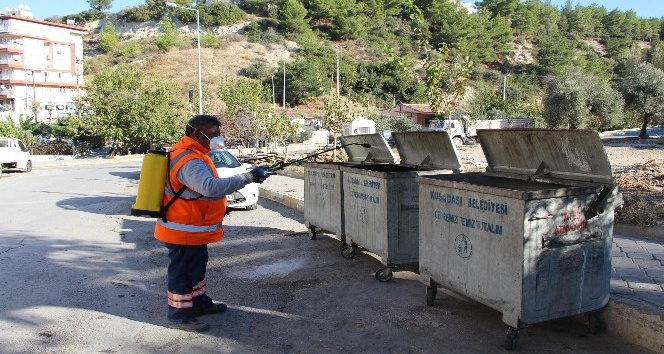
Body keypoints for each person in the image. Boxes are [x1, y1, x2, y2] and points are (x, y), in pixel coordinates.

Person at [154, 114, 274, 332]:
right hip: (183, 232)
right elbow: (210, 187)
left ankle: (199, 303)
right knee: (183, 273)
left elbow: (197, 194)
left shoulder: (197, 154)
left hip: (192, 230)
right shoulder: (188, 160)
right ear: (195, 133)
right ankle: (179, 315)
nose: (219, 138)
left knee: (197, 269)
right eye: (213, 134)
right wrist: (248, 177)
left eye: (219, 133)